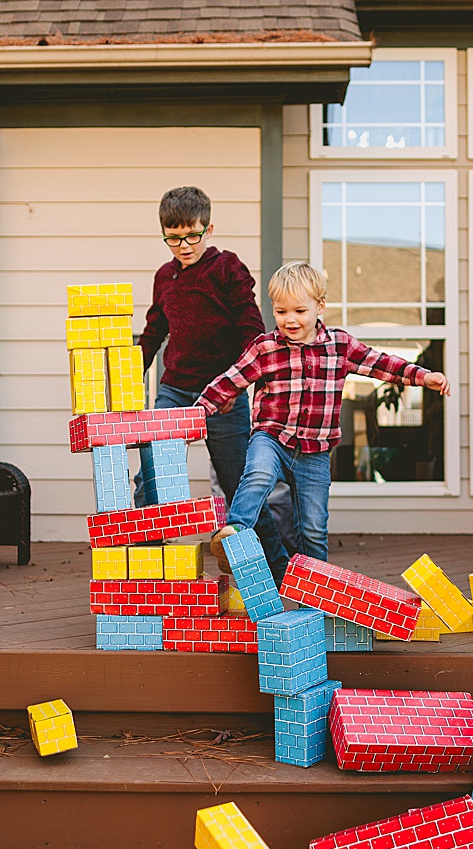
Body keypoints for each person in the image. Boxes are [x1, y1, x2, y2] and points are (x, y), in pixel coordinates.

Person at [197, 261, 450, 571]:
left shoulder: (340, 346)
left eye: (299, 311)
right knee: (258, 474)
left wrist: (422, 377)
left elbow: (381, 364)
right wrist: (197, 413)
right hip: (273, 437)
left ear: (320, 307)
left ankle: (318, 597)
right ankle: (234, 532)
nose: (289, 320)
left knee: (314, 529)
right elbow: (229, 381)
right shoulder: (265, 348)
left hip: (315, 453)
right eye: (281, 311)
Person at [136, 186, 289, 583]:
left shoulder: (227, 268)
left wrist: (237, 386)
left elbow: (251, 329)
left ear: (209, 228)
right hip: (175, 390)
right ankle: (144, 562)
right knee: (151, 466)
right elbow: (154, 332)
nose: (183, 245)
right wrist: (130, 366)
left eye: (192, 235)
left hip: (223, 392)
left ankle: (278, 567)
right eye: (173, 237)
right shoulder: (164, 277)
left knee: (242, 484)